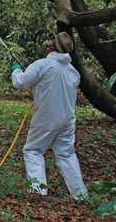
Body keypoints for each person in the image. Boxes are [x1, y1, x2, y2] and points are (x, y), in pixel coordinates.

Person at [11, 32, 87, 198]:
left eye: (51, 40)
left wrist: (16, 71)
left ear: (52, 46)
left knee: (33, 150)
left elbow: (20, 82)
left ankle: (38, 192)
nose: (47, 42)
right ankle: (80, 195)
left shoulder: (43, 64)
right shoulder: (73, 72)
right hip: (67, 121)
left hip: (46, 118)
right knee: (67, 155)